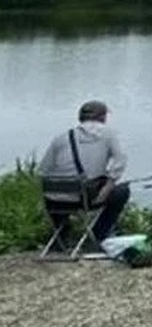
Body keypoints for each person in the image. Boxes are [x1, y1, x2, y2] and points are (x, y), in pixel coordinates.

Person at [38, 100, 130, 245]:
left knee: (60, 189)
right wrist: (108, 187)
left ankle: (61, 235)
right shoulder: (108, 134)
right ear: (102, 117)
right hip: (85, 200)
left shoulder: (61, 137)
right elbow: (120, 161)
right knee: (122, 191)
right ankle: (100, 233)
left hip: (54, 202)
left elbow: (43, 170)